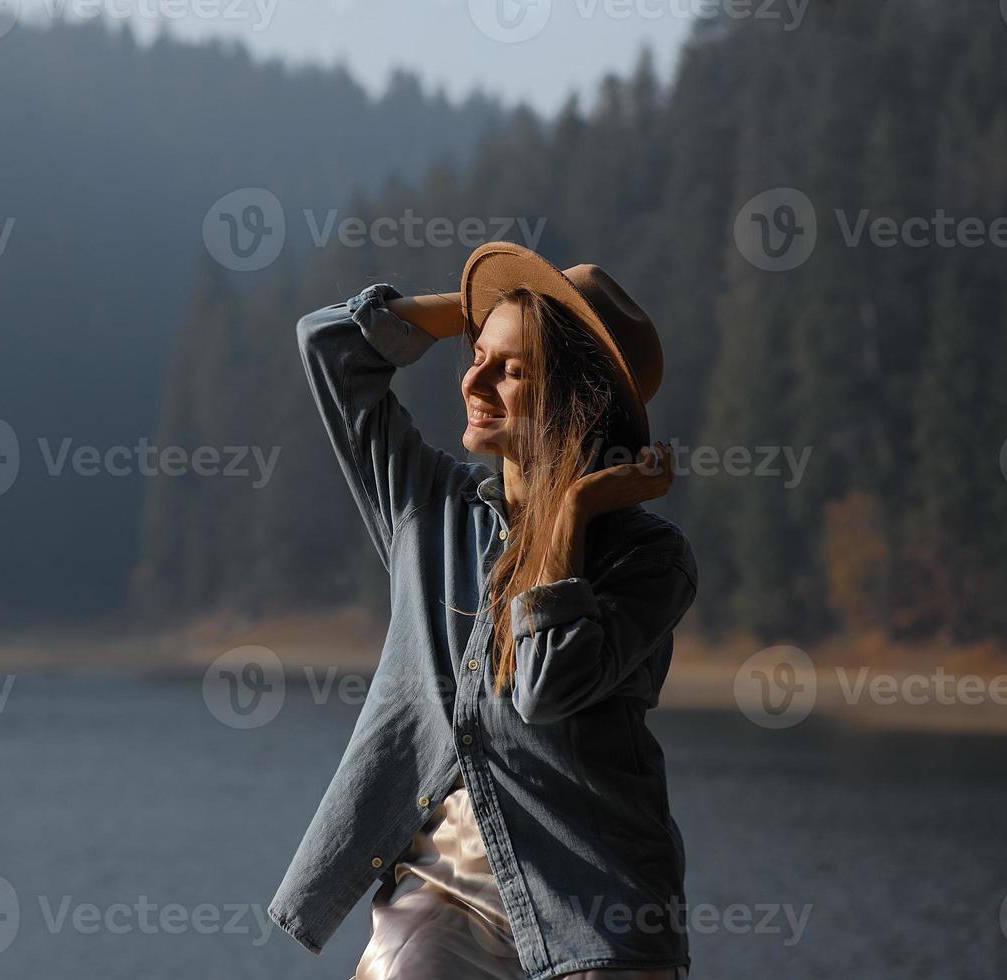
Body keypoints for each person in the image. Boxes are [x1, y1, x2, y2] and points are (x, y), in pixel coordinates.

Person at [267, 241, 698, 980]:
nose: (474, 378)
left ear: (574, 400)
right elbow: (330, 343)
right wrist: (484, 310)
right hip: (438, 895)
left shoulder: (648, 559)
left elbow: (546, 686)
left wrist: (570, 515)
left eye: (512, 369)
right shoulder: (426, 508)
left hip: (597, 907)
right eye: (478, 354)